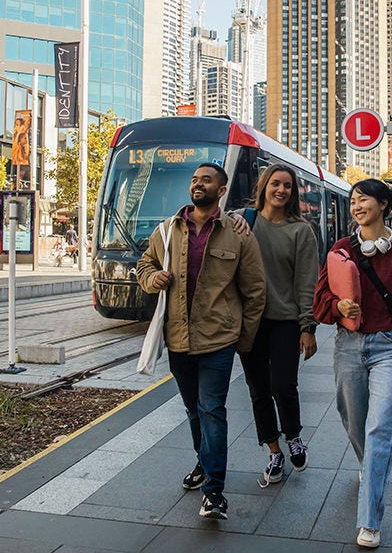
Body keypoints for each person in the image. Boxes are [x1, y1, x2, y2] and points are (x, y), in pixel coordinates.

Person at [137, 162, 266, 521]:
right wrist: (152, 279)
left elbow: (255, 291)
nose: (198, 184)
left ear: (221, 191)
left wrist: (243, 338)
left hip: (218, 341)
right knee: (194, 410)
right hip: (178, 339)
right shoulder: (167, 230)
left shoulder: (238, 233)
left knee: (212, 410)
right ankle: (204, 461)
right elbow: (143, 266)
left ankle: (214, 491)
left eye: (206, 180)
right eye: (194, 179)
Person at [313, 178, 392, 549]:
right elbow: (320, 301)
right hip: (348, 345)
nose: (357, 206)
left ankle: (370, 519)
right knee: (353, 420)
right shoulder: (340, 249)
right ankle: (370, 466)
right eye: (354, 201)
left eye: (364, 200)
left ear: (383, 205)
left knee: (381, 429)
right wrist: (338, 306)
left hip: (390, 348)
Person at [236, 164, 318, 486]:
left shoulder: (301, 230)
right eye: (275, 183)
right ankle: (274, 451)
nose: (281, 190)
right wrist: (234, 219)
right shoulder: (244, 221)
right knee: (258, 390)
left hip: (285, 320)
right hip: (251, 321)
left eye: (287, 185)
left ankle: (294, 436)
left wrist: (307, 326)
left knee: (283, 385)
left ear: (293, 192)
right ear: (264, 186)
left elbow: (306, 282)